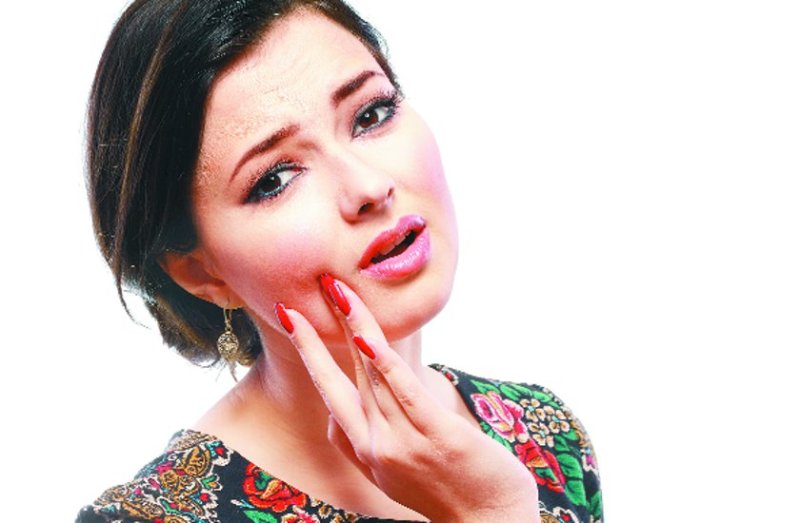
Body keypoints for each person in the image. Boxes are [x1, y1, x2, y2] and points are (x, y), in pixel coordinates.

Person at [76, 0, 602, 521]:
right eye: (275, 179)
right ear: (200, 272)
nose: (369, 187)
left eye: (371, 115)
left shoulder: (545, 435)